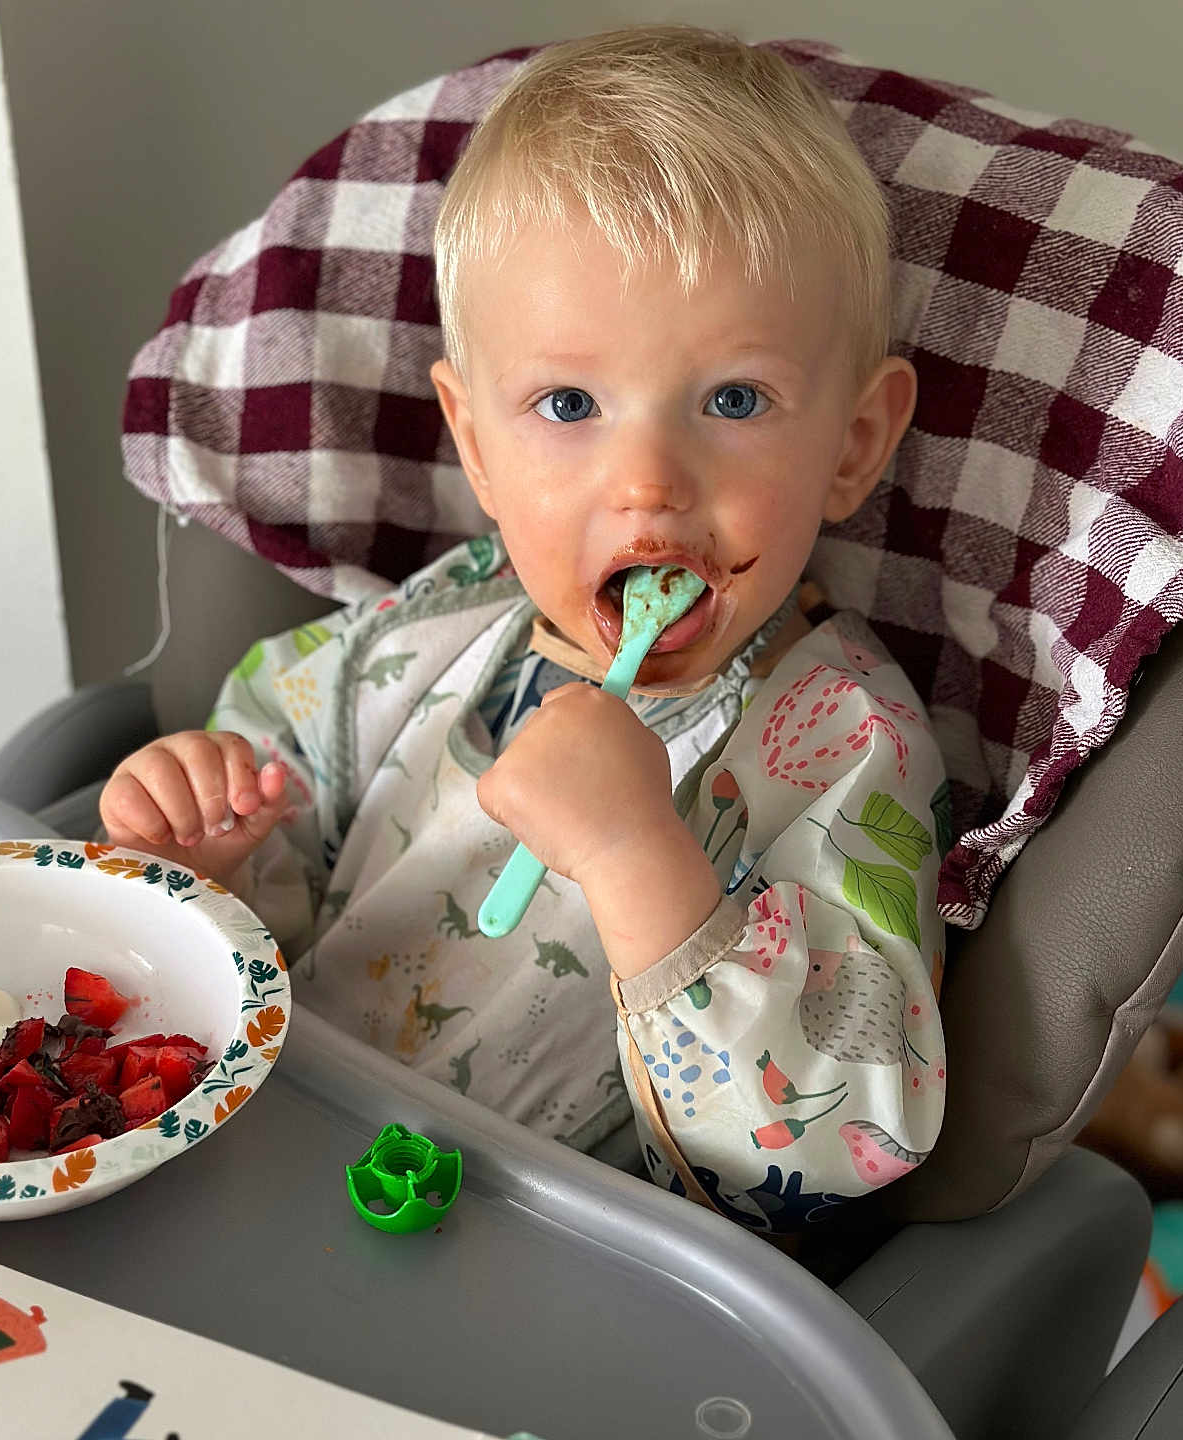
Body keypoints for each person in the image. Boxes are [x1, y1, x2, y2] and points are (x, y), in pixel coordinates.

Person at [99, 24, 947, 1237]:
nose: (648, 480)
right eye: (568, 404)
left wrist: (634, 855)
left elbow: (841, 1135)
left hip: (559, 1260)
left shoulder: (846, 741)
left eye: (736, 400)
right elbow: (276, 808)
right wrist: (206, 849)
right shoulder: (440, 630)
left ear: (856, 443)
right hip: (266, 1155)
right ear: (478, 445)